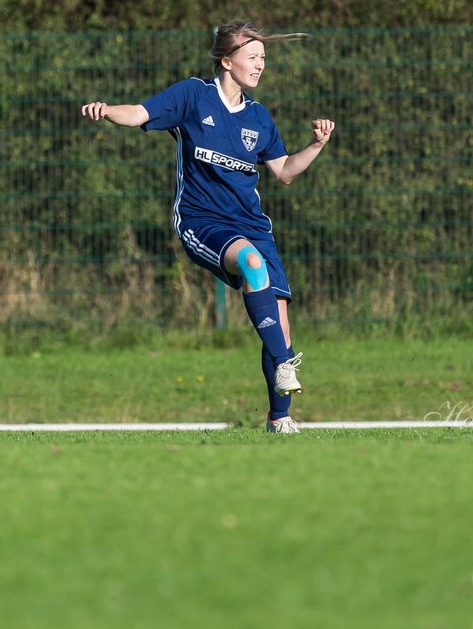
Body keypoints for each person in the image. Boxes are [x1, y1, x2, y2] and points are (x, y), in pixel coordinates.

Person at [82, 22, 335, 434]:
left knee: (280, 323)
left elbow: (284, 172)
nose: (260, 66)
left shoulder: (258, 117)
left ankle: (279, 418)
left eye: (263, 59)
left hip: (254, 227)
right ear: (226, 61)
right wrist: (108, 111)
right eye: (253, 57)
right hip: (202, 221)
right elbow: (141, 113)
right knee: (252, 266)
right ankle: (286, 363)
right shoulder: (193, 96)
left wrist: (317, 145)